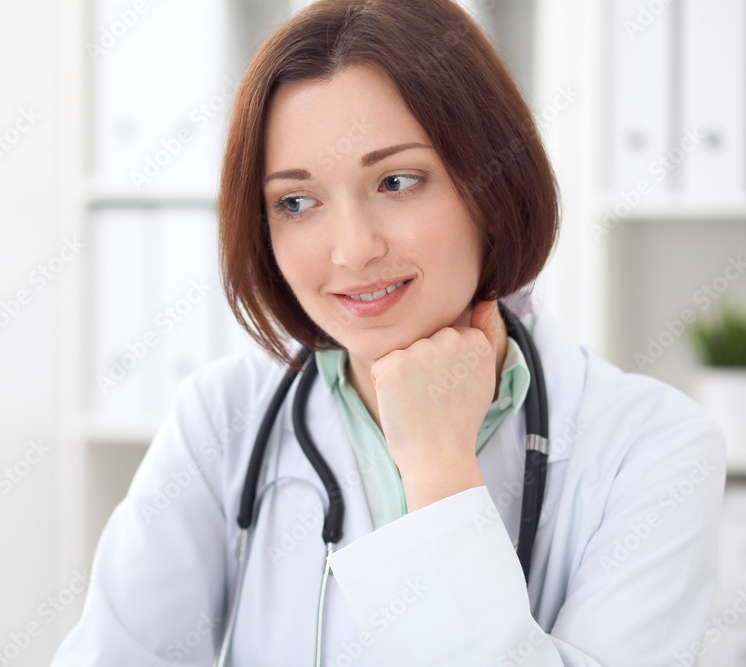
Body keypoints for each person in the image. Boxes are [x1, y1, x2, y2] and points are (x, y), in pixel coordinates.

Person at [51, 0, 727, 664]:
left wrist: (439, 470)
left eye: (397, 181)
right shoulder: (223, 417)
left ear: (491, 184)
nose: (351, 250)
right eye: (296, 201)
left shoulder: (653, 448)